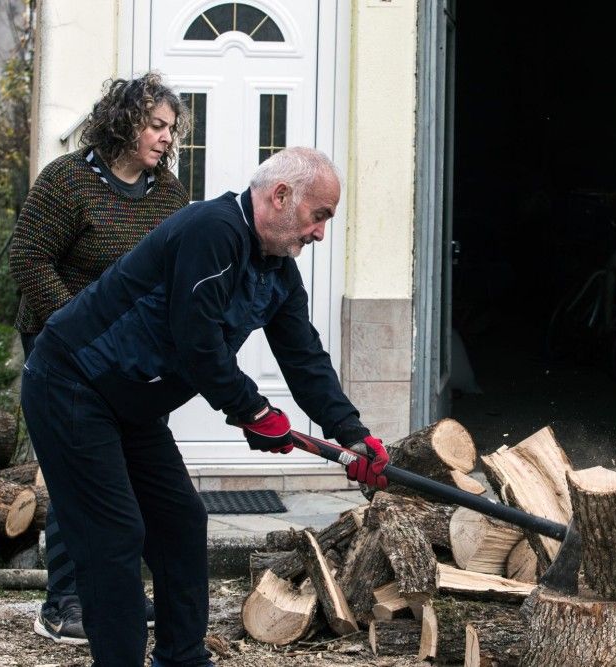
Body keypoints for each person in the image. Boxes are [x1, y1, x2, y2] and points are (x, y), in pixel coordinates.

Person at [20, 146, 390, 666]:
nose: (320, 233)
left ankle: (181, 658)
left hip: (132, 404)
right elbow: (195, 340)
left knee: (180, 521)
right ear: (280, 196)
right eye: (319, 216)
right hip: (72, 385)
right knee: (114, 535)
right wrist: (252, 411)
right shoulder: (211, 230)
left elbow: (303, 355)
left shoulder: (277, 270)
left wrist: (352, 434)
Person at [8, 72, 191, 645]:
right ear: (123, 123)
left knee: (131, 474)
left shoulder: (169, 193)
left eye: (171, 129)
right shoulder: (67, 182)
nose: (166, 138)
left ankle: (116, 593)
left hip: (132, 361)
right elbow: (29, 258)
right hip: (62, 353)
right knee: (81, 473)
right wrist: (75, 329)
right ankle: (64, 602)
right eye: (156, 125)